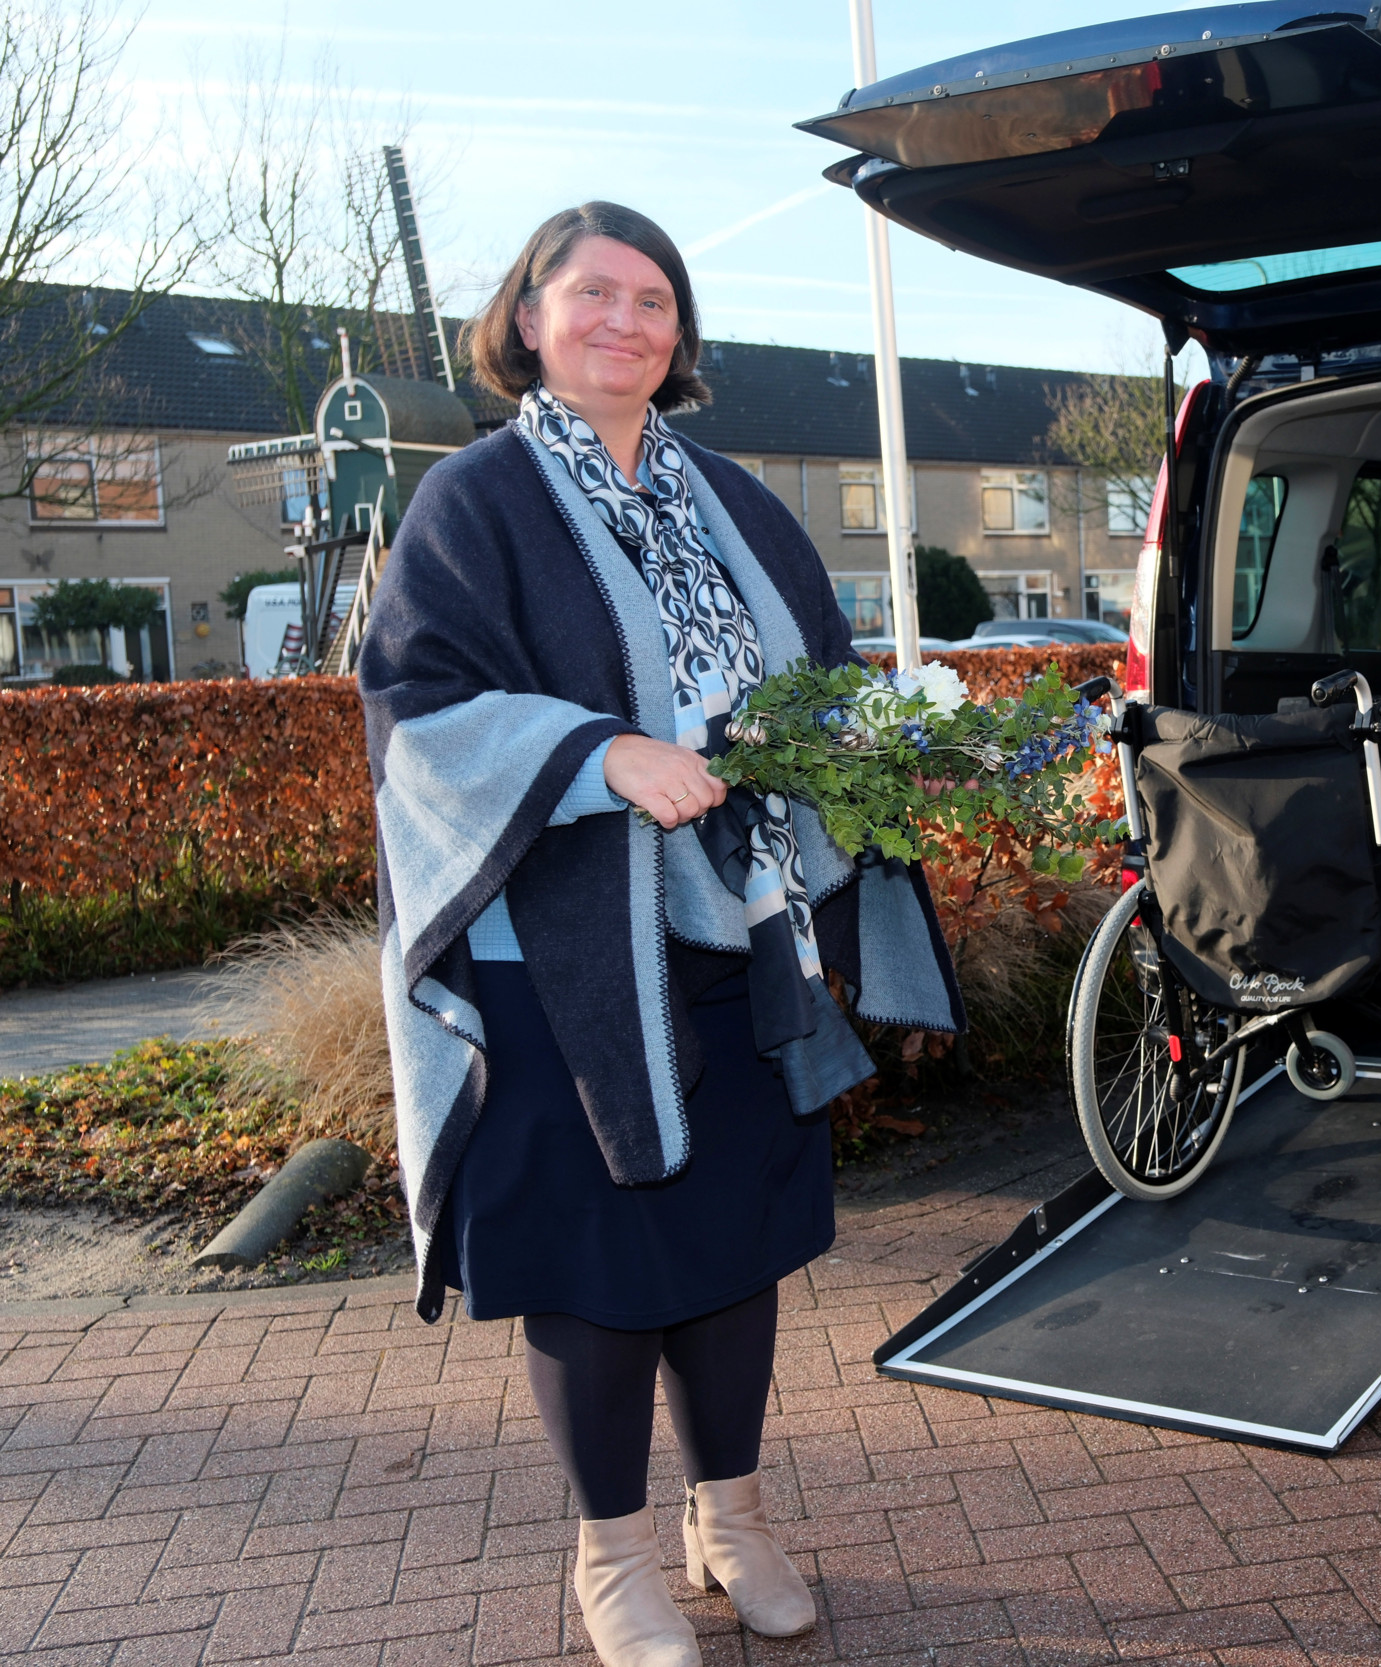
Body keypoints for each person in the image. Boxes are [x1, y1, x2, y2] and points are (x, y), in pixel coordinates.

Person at [358, 202, 962, 1667]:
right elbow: (412, 713)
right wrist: (599, 754)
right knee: (594, 1259)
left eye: (654, 301)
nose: (626, 322)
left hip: (736, 932)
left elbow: (809, 676)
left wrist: (886, 739)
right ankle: (614, 1560)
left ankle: (732, 1520)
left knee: (730, 1248)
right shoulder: (476, 501)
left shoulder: (738, 500)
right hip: (559, 960)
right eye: (594, 295)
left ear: (680, 334)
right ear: (527, 317)